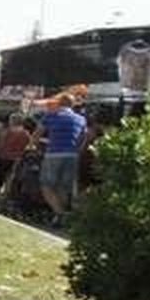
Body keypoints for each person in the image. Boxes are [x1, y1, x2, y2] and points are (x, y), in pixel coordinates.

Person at [38, 94, 87, 223]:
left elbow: (38, 133)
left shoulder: (51, 115)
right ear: (72, 105)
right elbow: (83, 137)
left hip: (54, 153)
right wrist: (77, 150)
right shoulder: (81, 119)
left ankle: (60, 213)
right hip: (72, 155)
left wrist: (31, 146)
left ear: (59, 103)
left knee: (46, 185)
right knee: (63, 187)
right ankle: (59, 216)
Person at [0, 112, 31, 197]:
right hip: (17, 158)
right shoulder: (26, 133)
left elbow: (2, 143)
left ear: (13, 121)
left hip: (4, 156)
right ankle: (6, 194)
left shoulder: (8, 131)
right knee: (11, 176)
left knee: (0, 176)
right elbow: (28, 146)